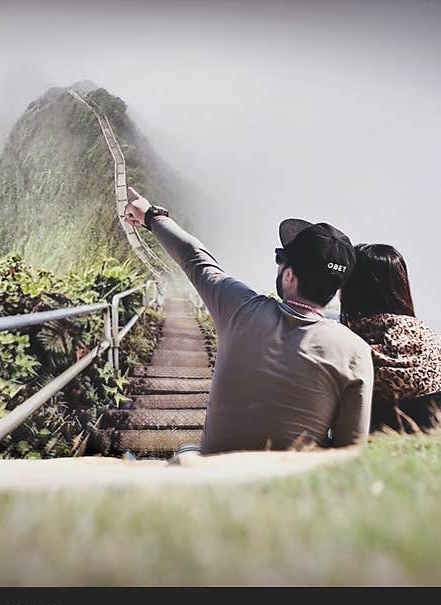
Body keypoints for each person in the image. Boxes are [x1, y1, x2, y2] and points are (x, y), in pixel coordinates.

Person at [123, 189, 373, 453]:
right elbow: (350, 450)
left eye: (281, 260)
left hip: (217, 472)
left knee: (187, 452)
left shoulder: (240, 309)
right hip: (293, 484)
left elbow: (195, 258)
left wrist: (151, 216)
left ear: (289, 276)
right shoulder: (355, 352)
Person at [340, 243, 441, 432]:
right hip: (438, 450)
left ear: (351, 288)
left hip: (376, 452)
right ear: (402, 285)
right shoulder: (436, 343)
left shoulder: (348, 344)